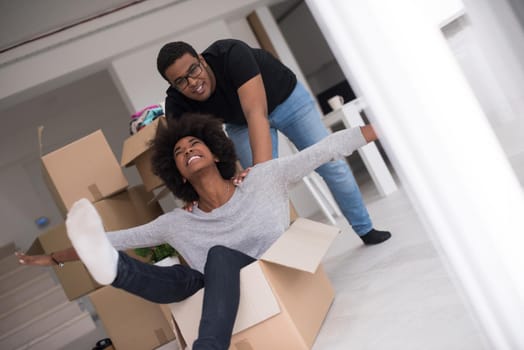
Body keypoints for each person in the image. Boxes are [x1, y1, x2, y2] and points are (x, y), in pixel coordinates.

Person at [17, 113, 380, 349]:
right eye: (179, 151)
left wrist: (379, 127)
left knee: (219, 256)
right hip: (212, 287)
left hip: (268, 272)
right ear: (177, 172)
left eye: (195, 144)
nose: (188, 150)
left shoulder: (262, 180)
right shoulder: (178, 221)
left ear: (216, 152)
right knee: (180, 276)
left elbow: (320, 152)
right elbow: (109, 240)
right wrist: (52, 257)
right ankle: (115, 270)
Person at [156, 38, 391, 245]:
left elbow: (256, 112)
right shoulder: (177, 103)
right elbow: (184, 157)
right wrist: (194, 199)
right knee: (258, 190)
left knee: (329, 164)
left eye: (194, 70)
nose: (192, 82)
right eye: (181, 81)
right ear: (173, 85)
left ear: (201, 60)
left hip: (287, 100)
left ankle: (365, 230)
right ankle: (287, 254)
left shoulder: (231, 54)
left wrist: (263, 172)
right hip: (240, 122)